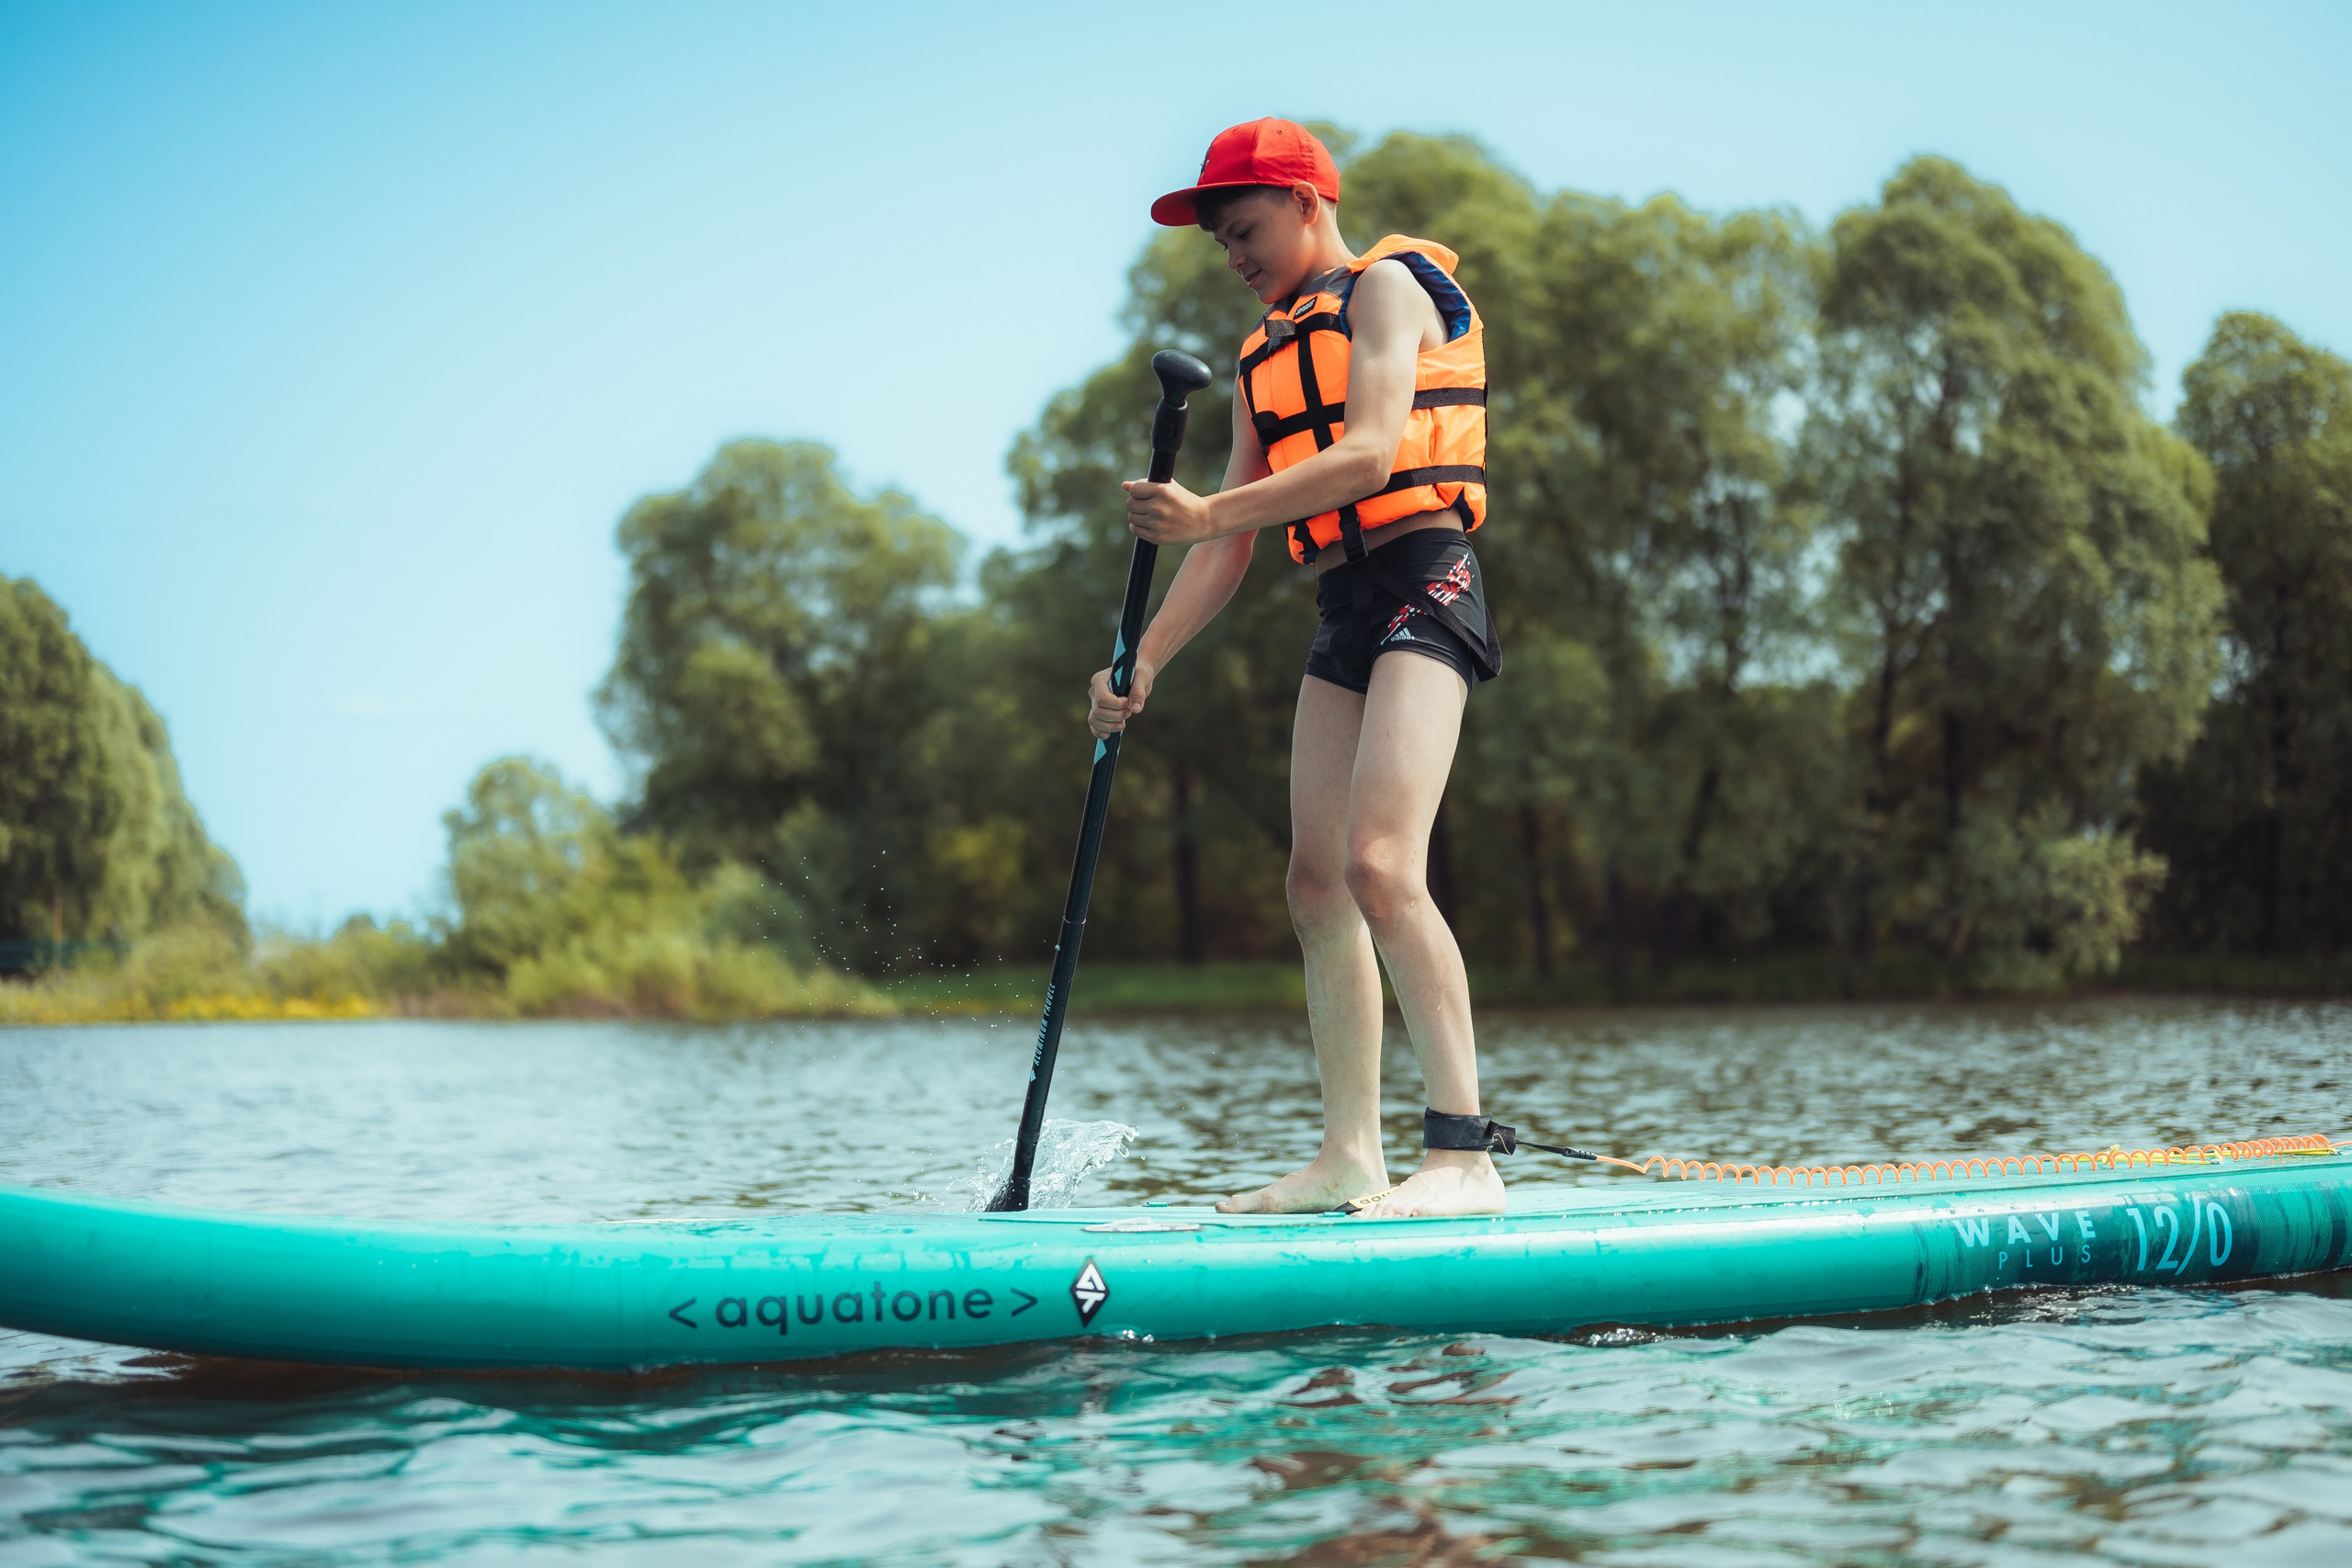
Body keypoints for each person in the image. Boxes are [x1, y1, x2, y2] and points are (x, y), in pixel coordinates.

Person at [1089, 118, 1506, 1218]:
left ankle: (1465, 1160)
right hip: (1346, 602)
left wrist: (1206, 510)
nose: (1234, 256)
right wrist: (1142, 662)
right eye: (1221, 242)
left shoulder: (1387, 292)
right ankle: (1349, 1159)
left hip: (1426, 574)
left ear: (1306, 201)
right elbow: (1222, 548)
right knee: (1314, 881)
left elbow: (1369, 451)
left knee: (1380, 864)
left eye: (1245, 229)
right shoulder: (1264, 353)